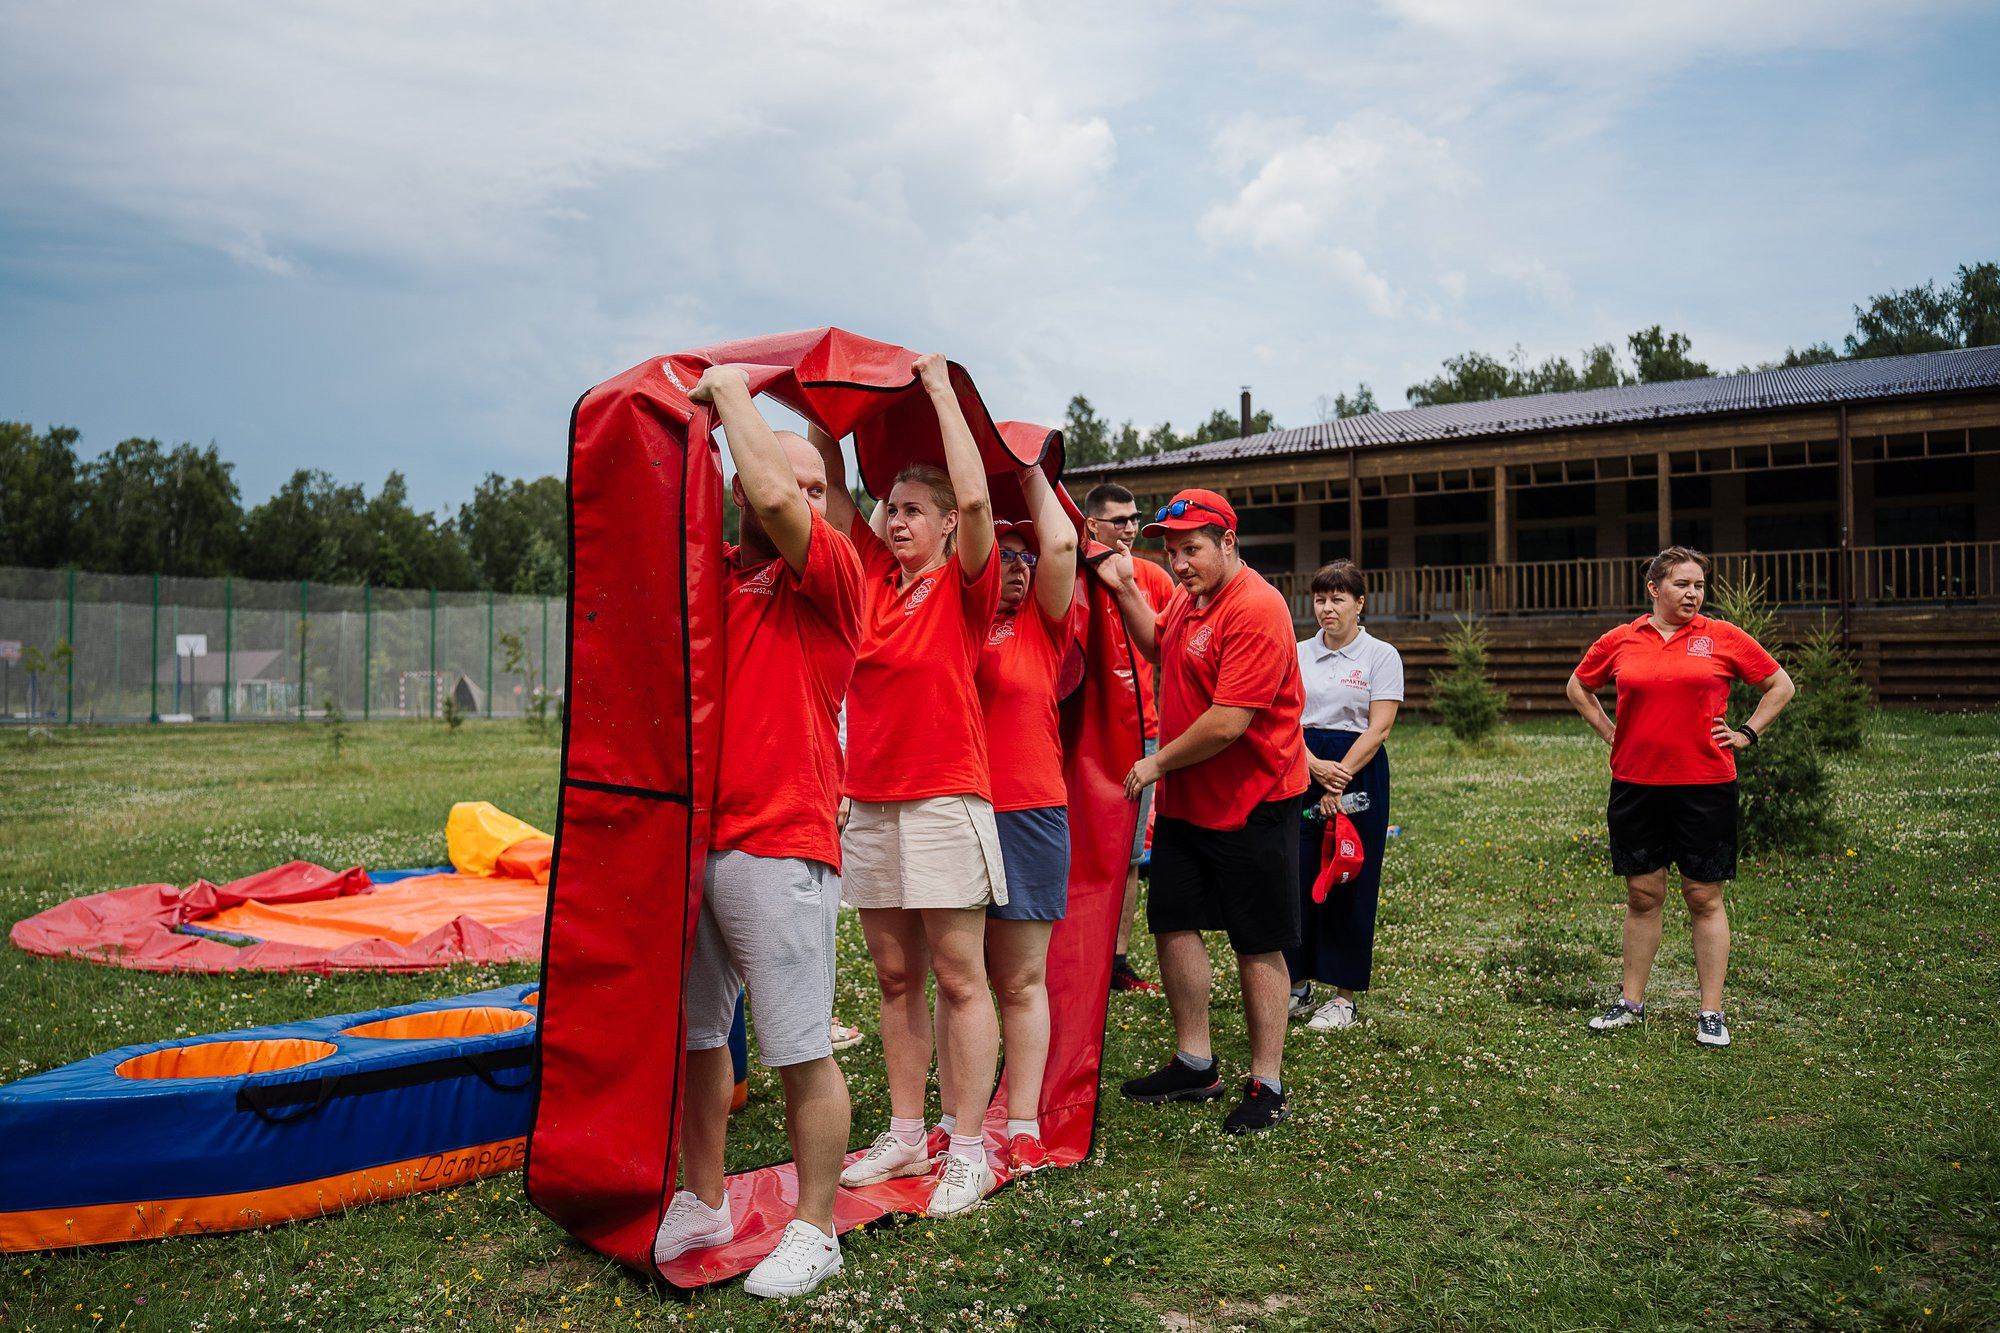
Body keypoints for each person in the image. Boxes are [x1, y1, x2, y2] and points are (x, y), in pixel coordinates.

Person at [651, 365, 861, 1298]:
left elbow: (775, 492)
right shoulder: (714, 581)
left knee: (798, 1047)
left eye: (822, 488)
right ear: (732, 481)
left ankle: (816, 1228)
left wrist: (731, 388)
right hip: (698, 843)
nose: (805, 500)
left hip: (782, 843)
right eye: (792, 483)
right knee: (702, 1041)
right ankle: (704, 1197)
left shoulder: (837, 573)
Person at [814, 353, 1007, 1217]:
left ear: (941, 525)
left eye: (910, 510)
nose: (894, 519)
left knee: (961, 975)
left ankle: (968, 1148)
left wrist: (935, 389)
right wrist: (812, 399)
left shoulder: (964, 584)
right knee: (895, 977)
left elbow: (974, 499)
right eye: (890, 507)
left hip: (944, 796)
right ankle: (905, 1130)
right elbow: (827, 480)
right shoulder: (870, 580)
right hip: (870, 799)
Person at [1094, 488, 1309, 1134]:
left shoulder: (1257, 607)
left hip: (1256, 800)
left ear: (1228, 542)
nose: (1179, 562)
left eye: (1191, 549)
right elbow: (1159, 645)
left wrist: (1155, 764)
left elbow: (1228, 722)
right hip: (1192, 802)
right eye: (1171, 549)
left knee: (1257, 938)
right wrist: (1124, 585)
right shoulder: (1191, 601)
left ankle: (1267, 1083)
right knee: (1174, 919)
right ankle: (1196, 1062)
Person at [1565, 546, 1796, 1049]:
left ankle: (1710, 1013)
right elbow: (1578, 687)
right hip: (1636, 784)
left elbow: (1780, 684)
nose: (1692, 594)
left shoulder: (1721, 637)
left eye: (1699, 586)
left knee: (1703, 896)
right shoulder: (1621, 640)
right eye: (1681, 585)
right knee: (1642, 895)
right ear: (1654, 588)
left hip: (1705, 785)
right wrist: (1612, 733)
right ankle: (1630, 1003)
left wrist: (1747, 733)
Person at [968, 466, 1079, 1174]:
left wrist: (1028, 468)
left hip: (1032, 813)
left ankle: (1028, 1120)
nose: (1017, 567)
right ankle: (964, 1124)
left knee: (1021, 981)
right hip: (957, 808)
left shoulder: (1044, 623)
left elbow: (1063, 544)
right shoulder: (953, 614)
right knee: (962, 982)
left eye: (1024, 557)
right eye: (1004, 555)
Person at [1286, 560, 1402, 1031]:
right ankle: (1296, 984)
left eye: (1337, 599)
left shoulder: (1380, 655)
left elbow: (1380, 726)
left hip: (1359, 770)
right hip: (1302, 763)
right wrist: (1312, 766)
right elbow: (1285, 717)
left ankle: (1343, 996)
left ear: (1360, 603)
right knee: (1296, 875)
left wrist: (1338, 778)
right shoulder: (1296, 652)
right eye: (1320, 599)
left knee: (1349, 876)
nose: (1327, 608)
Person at [1082, 482, 1176, 994]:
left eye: (1135, 518)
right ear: (1092, 525)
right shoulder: (1076, 572)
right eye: (1119, 520)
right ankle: (1079, 948)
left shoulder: (1152, 576)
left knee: (1132, 852)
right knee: (1081, 848)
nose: (1130, 528)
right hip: (1083, 735)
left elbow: (1172, 641)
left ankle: (1117, 959)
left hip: (1142, 733)